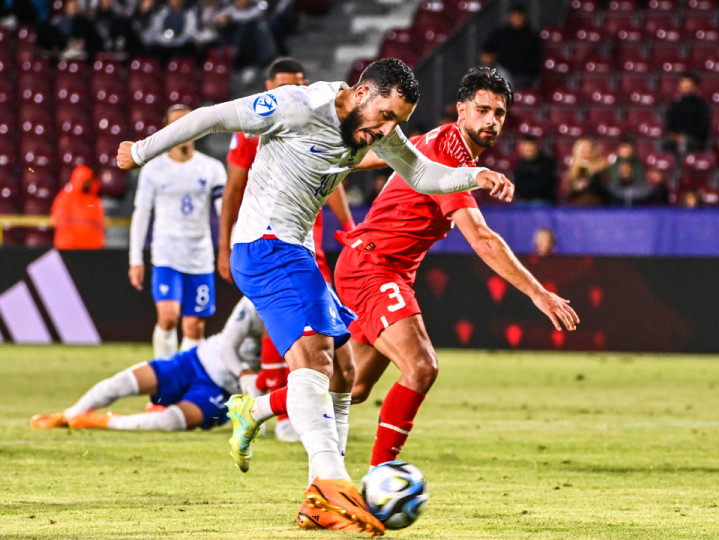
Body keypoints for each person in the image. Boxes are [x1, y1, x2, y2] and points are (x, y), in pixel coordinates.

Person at [115, 58, 514, 536]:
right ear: (364, 93)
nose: (388, 130)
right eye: (385, 116)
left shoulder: (380, 131)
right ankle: (331, 485)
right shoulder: (298, 105)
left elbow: (424, 175)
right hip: (263, 246)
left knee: (344, 372)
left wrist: (477, 175)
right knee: (316, 362)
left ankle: (313, 497)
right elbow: (211, 117)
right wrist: (140, 152)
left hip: (296, 250)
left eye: (398, 123)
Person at [227, 67, 578, 473]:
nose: (491, 121)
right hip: (372, 267)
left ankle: (253, 410)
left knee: (353, 386)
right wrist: (539, 292)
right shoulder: (449, 151)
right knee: (421, 365)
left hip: (380, 267)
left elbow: (378, 155)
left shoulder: (441, 145)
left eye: (499, 114)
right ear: (461, 110)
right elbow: (481, 238)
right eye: (482, 110)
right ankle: (380, 481)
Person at [218, 57, 355, 444]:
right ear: (267, 86)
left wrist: (348, 226)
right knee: (301, 343)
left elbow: (337, 177)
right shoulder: (251, 129)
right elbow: (232, 189)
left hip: (309, 245)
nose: (292, 90)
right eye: (283, 84)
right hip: (269, 242)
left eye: (298, 82)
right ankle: (286, 418)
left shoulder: (319, 120)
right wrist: (223, 246)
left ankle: (266, 410)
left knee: (336, 360)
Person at [30, 297, 265, 432]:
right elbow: (227, 347)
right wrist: (244, 373)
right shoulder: (255, 299)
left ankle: (103, 421)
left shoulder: (299, 313)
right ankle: (67, 416)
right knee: (122, 382)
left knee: (171, 422)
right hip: (196, 360)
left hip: (224, 391)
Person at [129, 104, 226, 360]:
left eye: (188, 124)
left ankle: (185, 383)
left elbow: (224, 212)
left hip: (200, 257)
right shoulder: (153, 169)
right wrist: (135, 259)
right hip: (166, 255)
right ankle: (163, 385)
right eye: (176, 125)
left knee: (195, 327)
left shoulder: (212, 168)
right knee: (169, 317)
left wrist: (231, 245)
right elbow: (141, 213)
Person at [481, 3, 541, 88]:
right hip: (500, 71)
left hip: (521, 76)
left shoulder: (532, 37)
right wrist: (488, 59)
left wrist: (518, 68)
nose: (517, 18)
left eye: (519, 16)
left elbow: (535, 63)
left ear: (524, 18)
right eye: (514, 15)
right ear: (509, 16)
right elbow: (487, 50)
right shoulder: (500, 33)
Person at [51, 164, 105, 250]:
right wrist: (72, 241)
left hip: (91, 249)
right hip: (68, 248)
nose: (87, 183)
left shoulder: (94, 200)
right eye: (85, 180)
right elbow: (59, 221)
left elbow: (99, 224)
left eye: (89, 180)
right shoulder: (65, 197)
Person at [664, 73, 711, 154]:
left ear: (694, 86)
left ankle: (684, 165)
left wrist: (684, 137)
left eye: (687, 84)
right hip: (676, 138)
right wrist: (674, 136)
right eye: (683, 83)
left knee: (685, 144)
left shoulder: (702, 106)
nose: (684, 86)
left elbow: (703, 129)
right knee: (663, 144)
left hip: (695, 139)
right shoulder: (675, 105)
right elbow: (670, 126)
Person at [512, 134, 557, 204]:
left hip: (542, 201)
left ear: (536, 147)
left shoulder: (547, 163)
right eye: (526, 148)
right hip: (524, 201)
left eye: (531, 147)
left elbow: (543, 186)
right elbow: (517, 187)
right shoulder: (519, 165)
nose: (529, 150)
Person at [563, 137, 608, 205]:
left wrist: (597, 173)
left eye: (589, 149)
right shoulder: (572, 169)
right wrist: (577, 187)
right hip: (577, 204)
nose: (587, 151)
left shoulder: (601, 168)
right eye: (584, 149)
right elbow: (568, 191)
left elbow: (605, 187)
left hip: (597, 203)